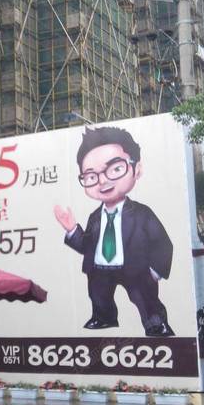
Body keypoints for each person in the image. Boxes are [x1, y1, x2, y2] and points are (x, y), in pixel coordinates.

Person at [53, 126, 175, 337]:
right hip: (100, 268)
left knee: (145, 297)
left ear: (137, 169)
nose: (103, 181)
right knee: (99, 295)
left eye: (115, 169)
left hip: (135, 269)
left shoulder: (142, 213)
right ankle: (103, 317)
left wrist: (155, 271)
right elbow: (87, 245)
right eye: (91, 176)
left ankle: (156, 323)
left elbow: (162, 242)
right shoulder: (95, 217)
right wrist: (72, 229)